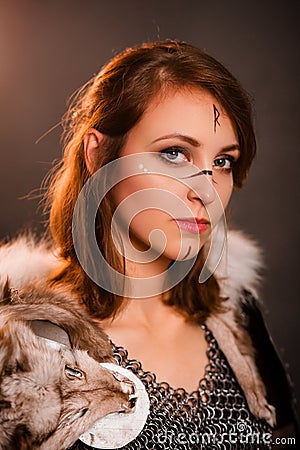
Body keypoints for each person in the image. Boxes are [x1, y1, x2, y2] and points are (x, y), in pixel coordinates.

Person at [44, 40, 297, 449]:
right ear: (98, 155)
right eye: (175, 153)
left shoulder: (238, 320)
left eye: (222, 161)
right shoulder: (34, 351)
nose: (207, 190)